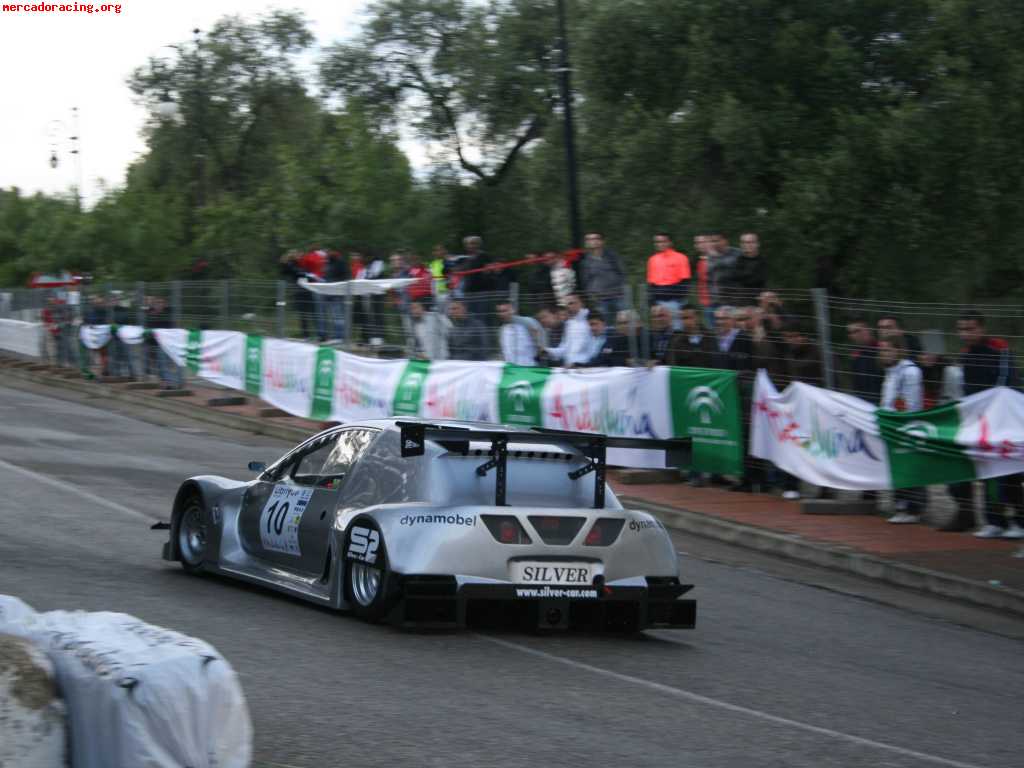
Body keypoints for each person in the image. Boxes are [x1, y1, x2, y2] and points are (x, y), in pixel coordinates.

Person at [946, 310, 1024, 537]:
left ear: (982, 328)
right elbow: (965, 390)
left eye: (970, 329)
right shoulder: (966, 355)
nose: (966, 334)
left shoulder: (999, 350)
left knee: (1007, 471)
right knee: (985, 469)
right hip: (978, 421)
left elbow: (1005, 385)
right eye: (962, 329)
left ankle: (1018, 520)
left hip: (1003, 420)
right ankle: (994, 520)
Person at [878, 336, 925, 523]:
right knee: (897, 468)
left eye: (888, 350)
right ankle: (901, 506)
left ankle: (914, 508)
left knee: (910, 468)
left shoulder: (910, 372)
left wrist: (890, 415)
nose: (884, 354)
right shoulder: (890, 372)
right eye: (882, 351)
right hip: (892, 426)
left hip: (906, 426)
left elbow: (910, 404)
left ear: (898, 350)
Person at [579, 231, 625, 321]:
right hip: (600, 299)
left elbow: (622, 272)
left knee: (626, 321)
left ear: (602, 241)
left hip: (618, 296)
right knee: (604, 325)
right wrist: (591, 295)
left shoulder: (612, 255)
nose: (592, 241)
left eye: (595, 238)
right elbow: (585, 281)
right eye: (588, 239)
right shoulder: (585, 261)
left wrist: (622, 288)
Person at [646, 232, 690, 321]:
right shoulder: (652, 260)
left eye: (663, 241)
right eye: (657, 242)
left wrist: (679, 299)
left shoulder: (681, 258)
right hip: (658, 302)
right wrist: (652, 302)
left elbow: (685, 282)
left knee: (676, 328)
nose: (660, 244)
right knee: (660, 329)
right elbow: (651, 284)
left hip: (675, 301)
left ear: (670, 242)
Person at [543, 293, 591, 367]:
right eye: (567, 305)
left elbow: (595, 348)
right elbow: (564, 349)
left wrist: (578, 364)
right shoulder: (569, 324)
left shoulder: (590, 320)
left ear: (581, 303)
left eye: (571, 303)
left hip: (587, 367)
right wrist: (547, 351)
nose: (569, 307)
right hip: (569, 367)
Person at [498, 300, 545, 366]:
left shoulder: (527, 322)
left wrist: (538, 361)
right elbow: (504, 352)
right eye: (499, 311)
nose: (502, 314)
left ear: (512, 310)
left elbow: (541, 344)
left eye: (505, 311)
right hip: (511, 370)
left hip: (529, 368)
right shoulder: (502, 329)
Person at [846, 319, 882, 402]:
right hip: (863, 404)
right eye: (850, 333)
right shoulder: (855, 355)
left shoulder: (883, 350)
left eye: (857, 331)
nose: (853, 335)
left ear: (868, 330)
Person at [325, 249, 350, 341]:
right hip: (330, 293)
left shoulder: (340, 263)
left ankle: (340, 336)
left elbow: (345, 277)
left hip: (338, 293)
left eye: (329, 251)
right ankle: (337, 335)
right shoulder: (328, 263)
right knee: (334, 316)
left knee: (338, 316)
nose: (328, 253)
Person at [732, 232, 767, 299]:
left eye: (751, 242)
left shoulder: (763, 261)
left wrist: (743, 276)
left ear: (758, 244)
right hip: (738, 299)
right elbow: (733, 279)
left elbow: (760, 280)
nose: (747, 245)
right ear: (741, 245)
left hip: (759, 298)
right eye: (744, 242)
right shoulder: (737, 260)